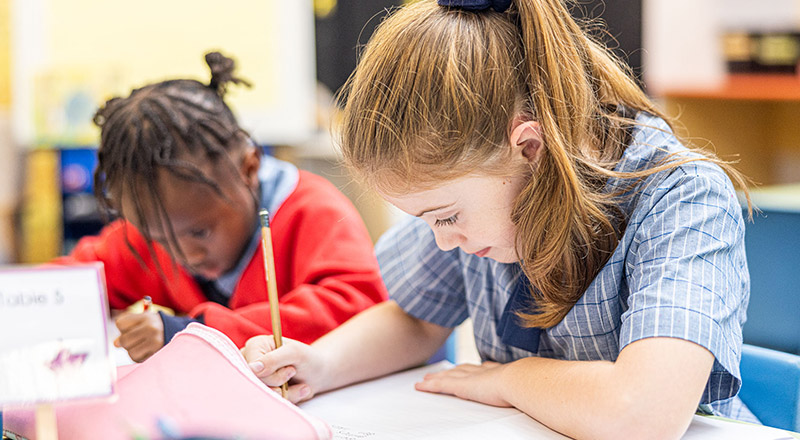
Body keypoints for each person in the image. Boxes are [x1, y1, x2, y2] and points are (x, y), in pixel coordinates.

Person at [241, 1, 755, 438]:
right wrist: (321, 365)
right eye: (427, 222)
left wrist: (509, 378)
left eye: (446, 217)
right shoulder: (488, 198)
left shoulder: (681, 197)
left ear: (528, 147)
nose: (444, 242)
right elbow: (417, 318)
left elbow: (642, 413)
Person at [58, 52, 387, 363]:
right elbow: (67, 282)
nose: (187, 256)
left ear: (249, 169)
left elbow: (360, 309)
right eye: (158, 237)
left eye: (200, 232)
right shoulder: (160, 229)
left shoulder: (313, 212)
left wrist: (195, 333)